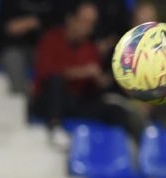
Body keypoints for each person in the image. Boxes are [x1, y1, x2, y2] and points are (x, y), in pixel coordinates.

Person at [32, 2, 136, 141]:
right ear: (71, 19)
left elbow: (92, 88)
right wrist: (81, 72)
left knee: (116, 111)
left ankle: (119, 145)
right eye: (84, 21)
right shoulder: (51, 38)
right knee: (55, 82)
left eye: (91, 24)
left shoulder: (90, 48)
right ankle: (55, 127)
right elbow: (47, 72)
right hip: (49, 100)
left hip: (76, 102)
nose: (87, 27)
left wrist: (100, 81)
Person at [0, 0, 56, 95]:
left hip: (45, 47)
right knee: (13, 57)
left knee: (56, 57)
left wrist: (35, 22)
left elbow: (60, 27)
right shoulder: (9, 2)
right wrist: (29, 24)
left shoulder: (56, 3)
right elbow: (7, 28)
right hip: (13, 47)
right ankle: (21, 98)